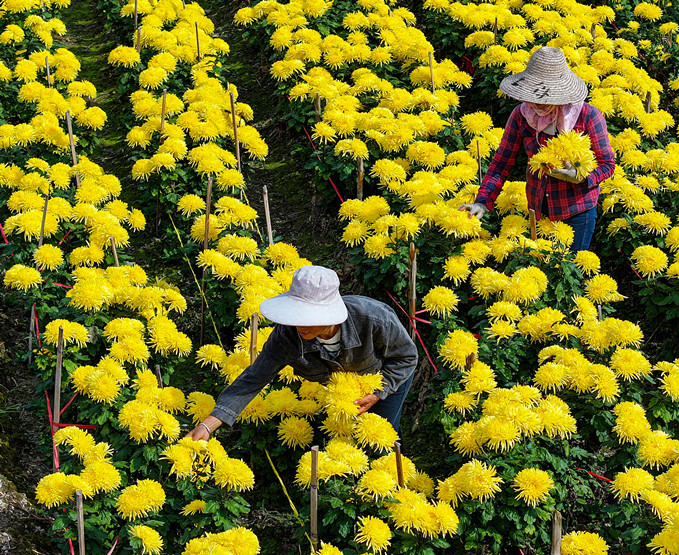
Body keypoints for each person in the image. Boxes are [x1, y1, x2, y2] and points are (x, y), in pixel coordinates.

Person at [186, 265, 418, 440]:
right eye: (296, 315)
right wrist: (208, 425)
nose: (300, 326)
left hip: (386, 375)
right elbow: (254, 378)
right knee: (346, 436)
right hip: (342, 388)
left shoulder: (373, 319)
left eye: (308, 317)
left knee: (380, 434)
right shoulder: (286, 336)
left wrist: (380, 391)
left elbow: (406, 358)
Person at [460, 46, 615, 252]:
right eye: (533, 95)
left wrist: (582, 177)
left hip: (578, 210)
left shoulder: (587, 116)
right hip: (537, 210)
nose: (538, 104)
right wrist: (482, 202)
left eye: (546, 97)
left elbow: (607, 164)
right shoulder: (521, 115)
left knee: (570, 272)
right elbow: (501, 164)